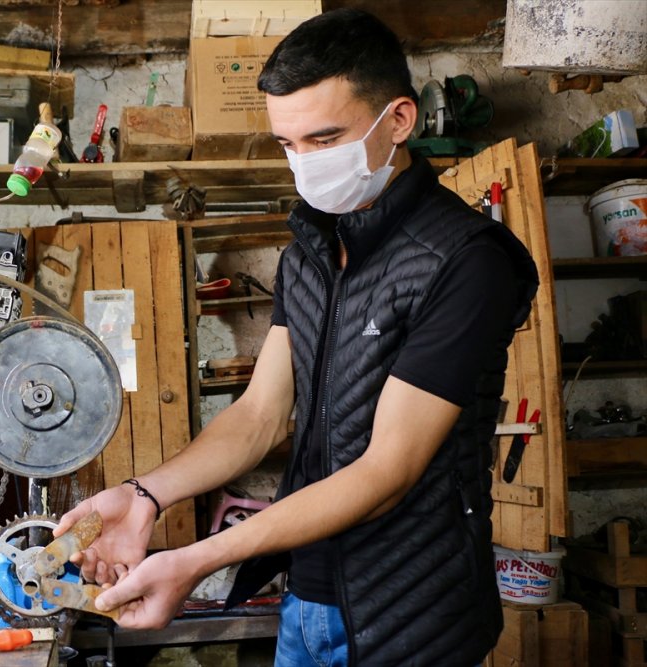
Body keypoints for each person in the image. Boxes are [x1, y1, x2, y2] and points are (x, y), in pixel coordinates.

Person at [54, 8, 539, 666]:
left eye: (324, 139)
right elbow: (258, 415)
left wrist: (197, 559)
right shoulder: (310, 250)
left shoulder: (464, 260)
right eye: (288, 145)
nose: (304, 165)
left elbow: (386, 472)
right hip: (306, 601)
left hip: (412, 614)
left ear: (399, 120)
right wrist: (144, 496)